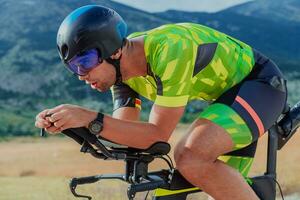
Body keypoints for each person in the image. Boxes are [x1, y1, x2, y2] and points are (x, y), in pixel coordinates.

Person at [35, 5, 287, 200]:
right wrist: (71, 125)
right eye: (73, 67)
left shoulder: (169, 50)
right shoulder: (122, 74)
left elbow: (156, 136)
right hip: (225, 100)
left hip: (260, 85)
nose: (81, 75)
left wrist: (89, 117)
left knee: (190, 156)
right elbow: (125, 135)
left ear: (113, 50)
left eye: (85, 61)